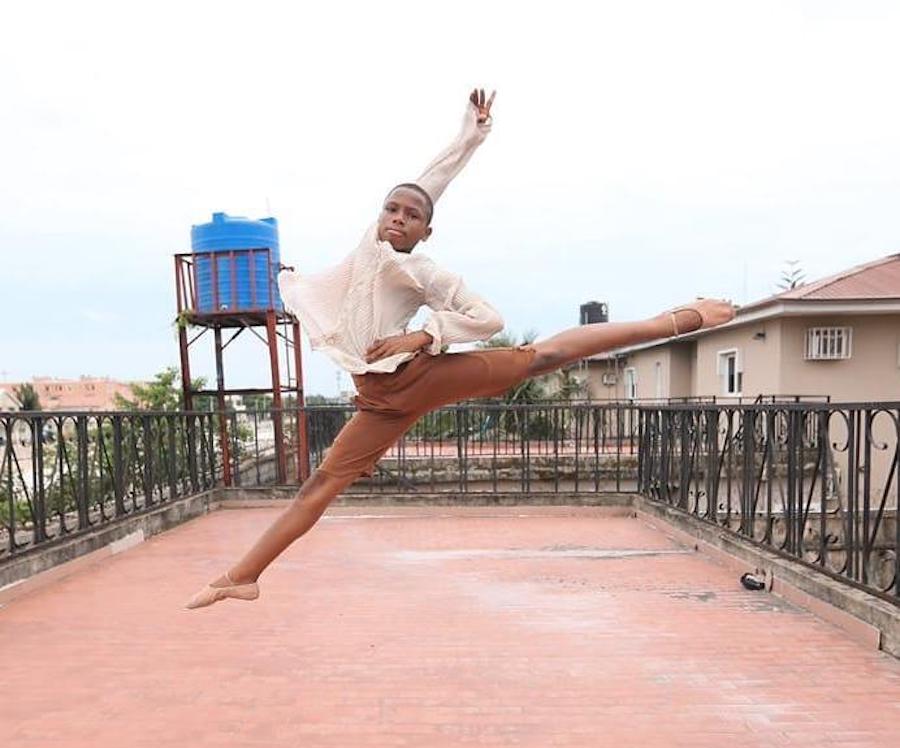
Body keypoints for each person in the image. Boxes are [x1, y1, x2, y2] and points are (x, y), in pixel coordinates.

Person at [187, 88, 734, 610]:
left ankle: (677, 319)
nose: (399, 218)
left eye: (412, 216)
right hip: (378, 400)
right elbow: (428, 180)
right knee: (322, 483)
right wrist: (469, 136)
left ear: (426, 231)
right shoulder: (369, 245)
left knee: (543, 356)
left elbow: (489, 318)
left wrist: (424, 335)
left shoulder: (423, 269)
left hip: (420, 375)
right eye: (392, 210)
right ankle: (243, 576)